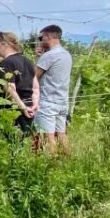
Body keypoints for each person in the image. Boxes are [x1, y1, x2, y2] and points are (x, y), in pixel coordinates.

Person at [35, 25, 73, 155]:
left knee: (49, 137)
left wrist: (39, 58)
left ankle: (53, 166)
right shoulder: (66, 55)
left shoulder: (49, 56)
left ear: (49, 36)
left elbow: (35, 77)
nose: (41, 41)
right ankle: (68, 161)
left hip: (48, 101)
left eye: (42, 37)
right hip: (62, 100)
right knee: (62, 135)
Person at [0, 31, 39, 137]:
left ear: (4, 44)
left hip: (13, 111)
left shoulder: (6, 63)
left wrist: (23, 108)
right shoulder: (28, 61)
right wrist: (34, 105)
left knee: (12, 143)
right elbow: (35, 87)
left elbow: (10, 89)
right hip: (29, 109)